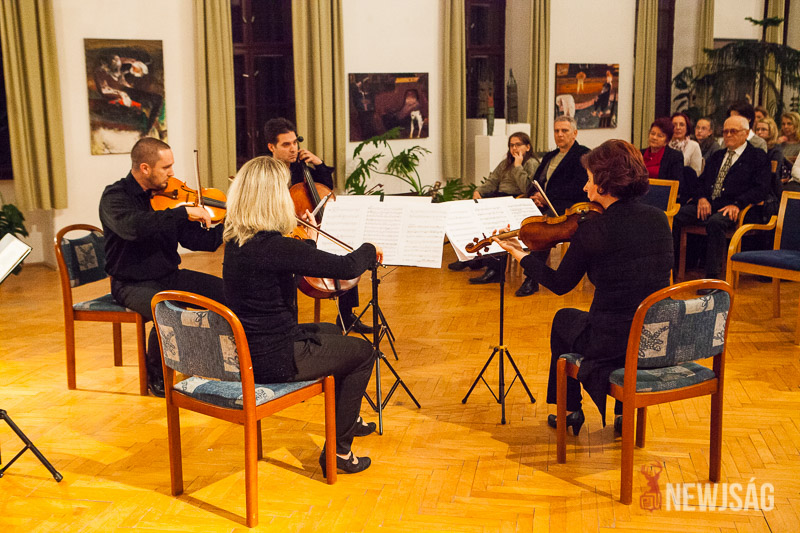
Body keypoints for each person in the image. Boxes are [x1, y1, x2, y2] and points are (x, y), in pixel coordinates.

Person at [494, 139, 673, 432]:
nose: (585, 188)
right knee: (620, 313)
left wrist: (519, 253)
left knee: (563, 319)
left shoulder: (594, 228)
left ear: (604, 184)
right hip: (656, 336)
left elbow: (559, 284)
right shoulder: (659, 218)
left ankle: (570, 410)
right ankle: (622, 413)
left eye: (589, 180)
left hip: (613, 344)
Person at [222, 156, 382, 475]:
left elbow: (288, 265)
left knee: (332, 333)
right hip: (273, 360)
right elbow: (347, 266)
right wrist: (368, 246)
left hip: (251, 348)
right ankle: (339, 451)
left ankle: (346, 418)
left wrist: (308, 241)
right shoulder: (276, 247)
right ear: (273, 198)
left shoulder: (238, 242)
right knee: (364, 352)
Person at [99, 138, 225, 397]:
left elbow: (198, 241)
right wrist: (182, 213)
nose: (172, 172)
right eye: (166, 167)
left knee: (227, 293)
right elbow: (133, 227)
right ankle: (156, 376)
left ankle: (227, 363)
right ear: (145, 168)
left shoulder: (169, 200)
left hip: (169, 276)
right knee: (167, 310)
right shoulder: (115, 197)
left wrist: (231, 226)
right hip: (131, 283)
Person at [263, 117, 372, 334]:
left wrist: (318, 164)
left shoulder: (300, 168)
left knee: (342, 249)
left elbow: (324, 190)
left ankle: (347, 315)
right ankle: (290, 323)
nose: (293, 149)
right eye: (286, 144)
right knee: (288, 267)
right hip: (283, 234)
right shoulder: (266, 173)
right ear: (271, 147)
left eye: (295, 142)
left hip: (309, 228)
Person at [672, 116, 770, 279]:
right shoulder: (718, 156)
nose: (728, 135)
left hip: (740, 207)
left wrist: (738, 203)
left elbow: (761, 189)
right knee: (675, 216)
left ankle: (713, 278)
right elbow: (700, 182)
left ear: (746, 133)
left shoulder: (757, 157)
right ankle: (670, 269)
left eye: (733, 131)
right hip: (710, 204)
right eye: (725, 132)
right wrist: (702, 198)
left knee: (716, 222)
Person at [518, 116, 590, 297]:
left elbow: (578, 187)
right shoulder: (550, 156)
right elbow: (537, 180)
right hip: (543, 202)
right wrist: (535, 197)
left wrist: (547, 198)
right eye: (556, 131)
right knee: (514, 214)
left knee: (542, 227)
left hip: (567, 207)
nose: (560, 134)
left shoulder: (583, 155)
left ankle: (532, 279)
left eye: (564, 131)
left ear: (575, 133)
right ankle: (493, 267)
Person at [464, 132, 538, 287]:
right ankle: (475, 256)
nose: (514, 148)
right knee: (475, 215)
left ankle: (495, 270)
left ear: (527, 147)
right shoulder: (505, 163)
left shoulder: (531, 163)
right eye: (511, 145)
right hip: (499, 197)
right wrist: (479, 191)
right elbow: (492, 181)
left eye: (518, 144)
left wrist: (518, 166)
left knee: (496, 223)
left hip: (516, 200)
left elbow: (527, 188)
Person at [641, 118, 686, 201]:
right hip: (639, 196)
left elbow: (677, 186)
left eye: (660, 136)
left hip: (661, 199)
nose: (654, 137)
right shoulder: (639, 154)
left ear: (667, 141)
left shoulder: (674, 156)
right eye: (652, 133)